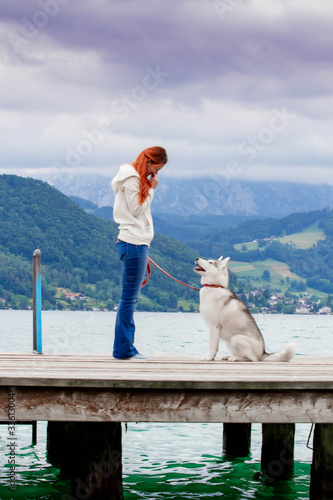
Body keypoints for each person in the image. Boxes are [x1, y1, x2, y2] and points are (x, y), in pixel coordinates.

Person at [111, 146, 168, 359]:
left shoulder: (132, 178)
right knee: (129, 299)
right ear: (150, 162)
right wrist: (152, 188)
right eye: (157, 168)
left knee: (128, 298)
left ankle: (123, 348)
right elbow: (136, 209)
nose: (156, 174)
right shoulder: (133, 178)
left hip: (133, 243)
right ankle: (124, 350)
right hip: (133, 243)